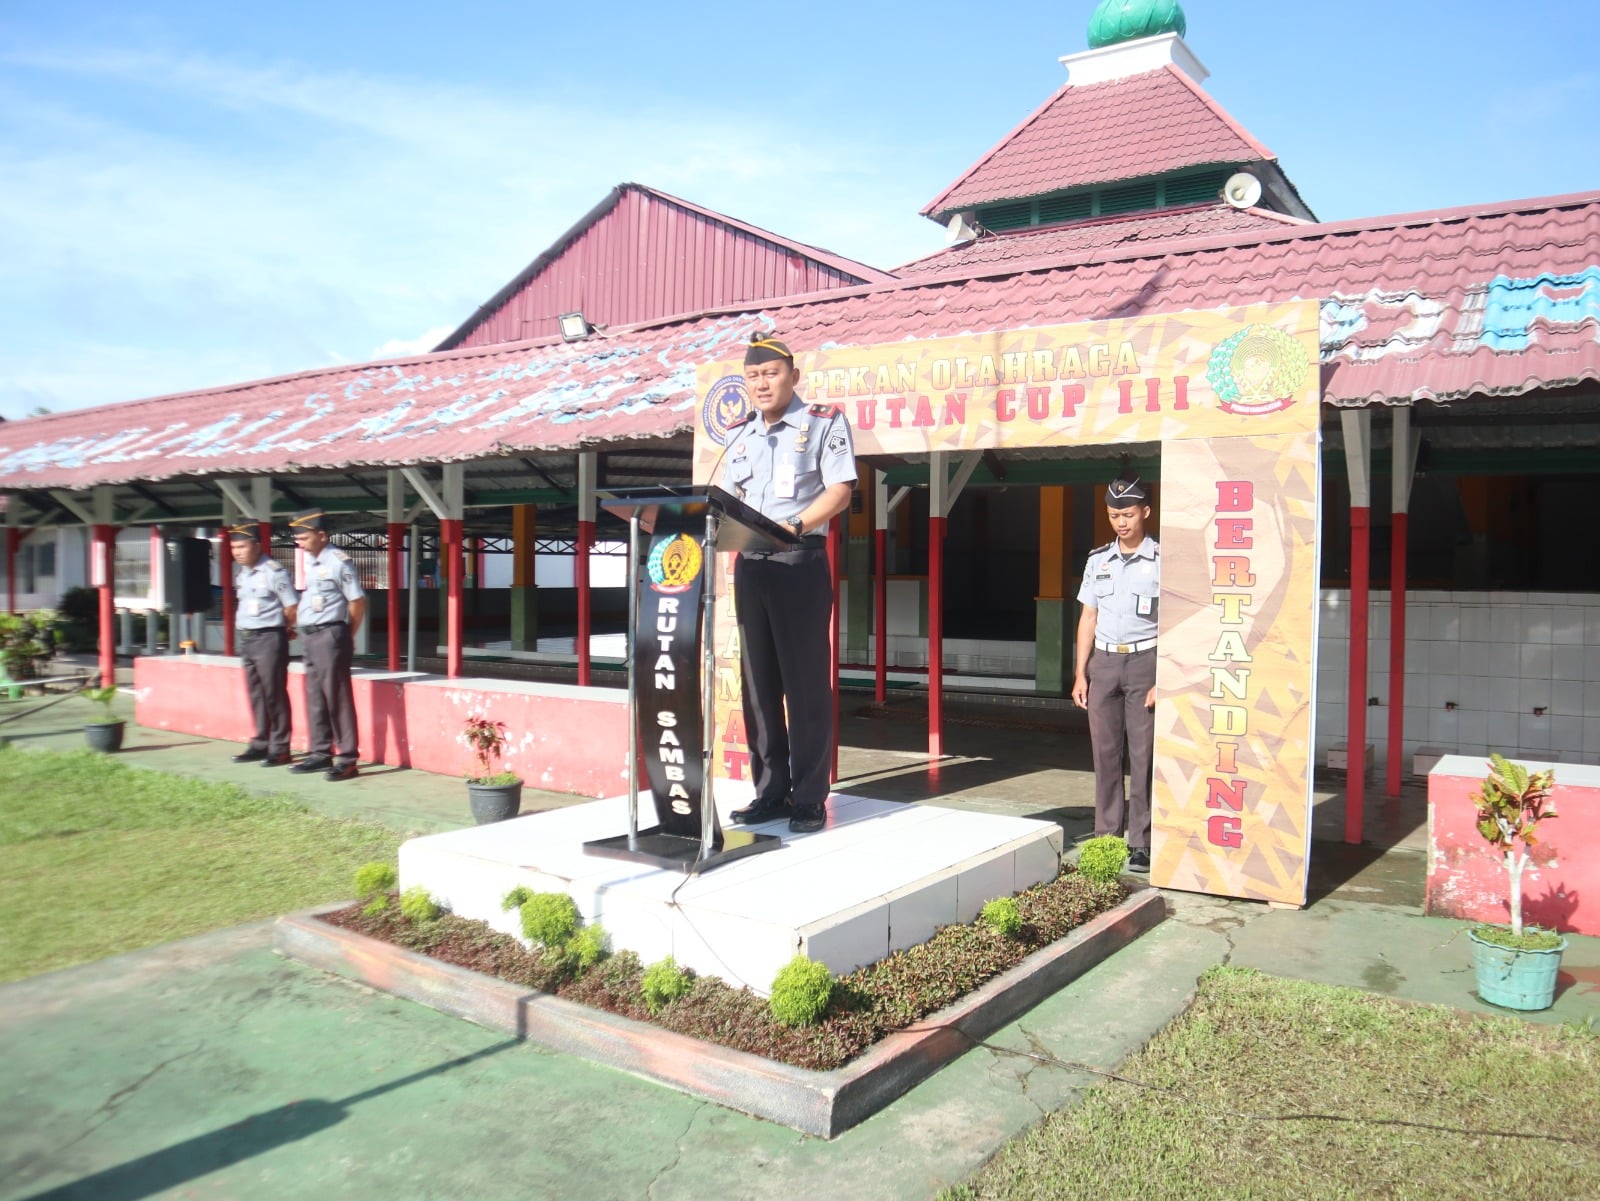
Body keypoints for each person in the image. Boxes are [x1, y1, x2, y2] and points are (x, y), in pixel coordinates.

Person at [721, 335, 856, 834]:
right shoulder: (739, 433)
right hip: (750, 563)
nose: (762, 383)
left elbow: (840, 490)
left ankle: (809, 797)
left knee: (805, 687)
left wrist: (794, 525)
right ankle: (770, 792)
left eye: (771, 373)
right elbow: (727, 499)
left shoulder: (822, 422)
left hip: (798, 560)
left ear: (793, 376)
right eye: (753, 376)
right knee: (758, 686)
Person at [1071, 475, 1160, 873]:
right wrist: (1081, 674)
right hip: (1104, 665)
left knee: (1143, 756)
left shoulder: (1162, 560)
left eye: (1128, 514)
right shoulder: (1098, 560)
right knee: (1105, 755)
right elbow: (1088, 617)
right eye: (1113, 515)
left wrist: (1164, 677)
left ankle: (1141, 841)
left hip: (1146, 663)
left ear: (1145, 512)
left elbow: (1173, 621)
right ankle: (1107, 836)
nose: (1121, 522)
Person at [288, 509, 366, 781]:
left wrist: (346, 635)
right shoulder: (312, 562)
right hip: (311, 637)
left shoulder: (338, 562)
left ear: (322, 535)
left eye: (304, 538)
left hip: (330, 635)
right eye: (298, 539)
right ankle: (320, 752)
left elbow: (357, 601)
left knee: (337, 698)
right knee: (315, 697)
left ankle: (347, 759)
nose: (300, 543)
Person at [228, 523, 298, 767]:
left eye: (242, 546)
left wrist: (283, 630)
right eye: (234, 547)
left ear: (257, 546)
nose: (237, 552)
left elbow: (291, 606)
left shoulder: (273, 572)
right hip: (247, 639)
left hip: (269, 637)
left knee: (274, 693)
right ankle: (260, 743)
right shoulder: (243, 574)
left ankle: (280, 748)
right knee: (256, 694)